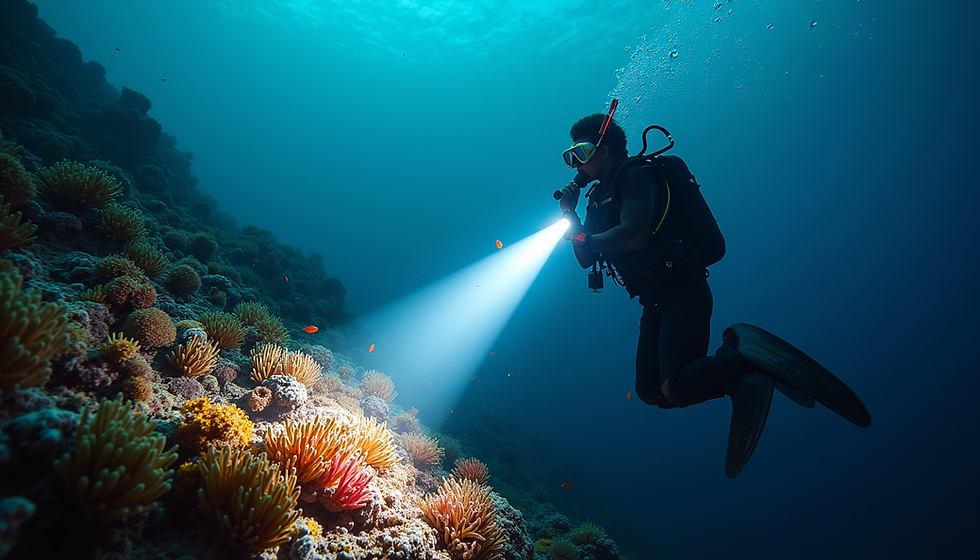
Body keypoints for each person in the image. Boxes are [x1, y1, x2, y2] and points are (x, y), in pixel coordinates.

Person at [556, 112, 871, 477]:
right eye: (569, 157)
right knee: (650, 392)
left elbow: (633, 236)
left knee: (676, 386)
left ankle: (749, 357)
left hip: (682, 288)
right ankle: (744, 374)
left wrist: (580, 236)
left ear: (604, 150)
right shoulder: (598, 199)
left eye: (579, 152)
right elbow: (586, 259)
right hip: (653, 299)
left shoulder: (635, 175)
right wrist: (572, 215)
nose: (575, 163)